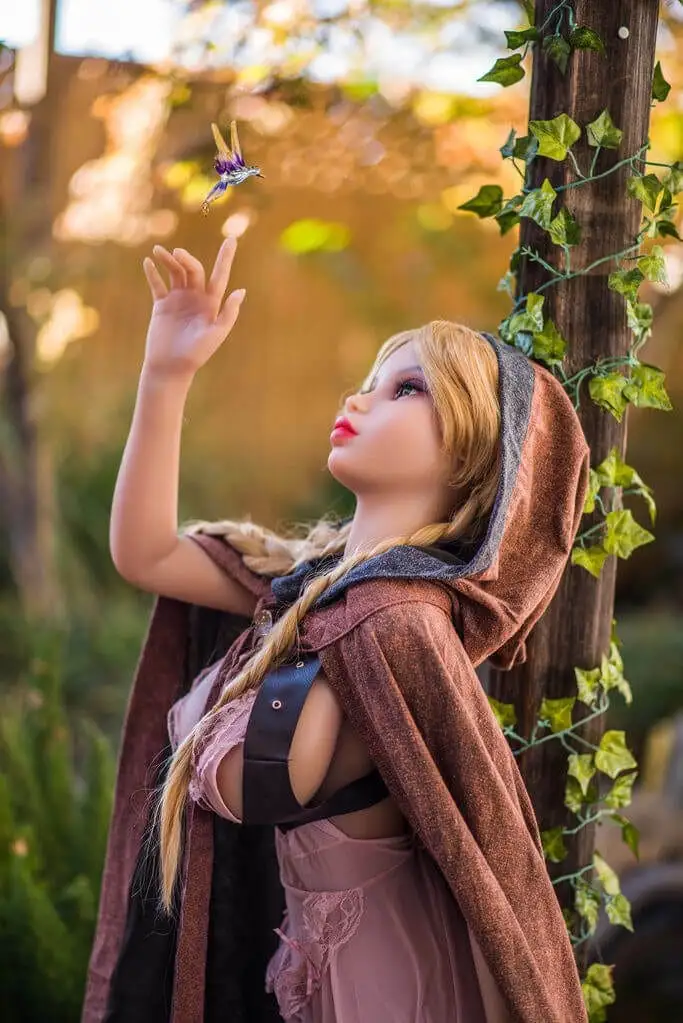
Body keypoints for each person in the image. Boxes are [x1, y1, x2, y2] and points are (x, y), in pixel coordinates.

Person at [83, 236, 590, 1023]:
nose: (357, 400)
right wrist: (167, 371)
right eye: (367, 383)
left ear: (474, 452)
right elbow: (146, 553)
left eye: (405, 389)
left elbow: (492, 880)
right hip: (306, 991)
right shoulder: (311, 594)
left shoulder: (397, 625)